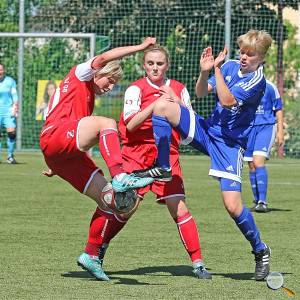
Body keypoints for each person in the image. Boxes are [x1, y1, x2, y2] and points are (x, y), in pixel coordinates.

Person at [136, 30, 273, 281]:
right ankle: (164, 166)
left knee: (232, 207)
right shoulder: (230, 66)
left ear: (262, 57)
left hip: (229, 145)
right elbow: (201, 93)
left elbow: (227, 99)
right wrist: (204, 71)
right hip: (207, 130)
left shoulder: (257, 81)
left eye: (250, 54)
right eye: (242, 51)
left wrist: (217, 70)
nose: (243, 57)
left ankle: (260, 250)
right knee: (163, 106)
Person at [79, 44, 211, 281]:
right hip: (136, 153)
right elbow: (129, 125)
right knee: (125, 207)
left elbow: (188, 122)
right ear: (144, 65)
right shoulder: (135, 90)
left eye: (160, 63)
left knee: (179, 207)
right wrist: (156, 106)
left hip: (167, 154)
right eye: (150, 63)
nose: (155, 67)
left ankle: (198, 263)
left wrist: (175, 102)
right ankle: (98, 250)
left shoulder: (179, 89)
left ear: (167, 65)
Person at [40, 38, 157, 277]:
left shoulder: (87, 100)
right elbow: (104, 58)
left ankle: (91, 255)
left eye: (115, 83)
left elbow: (80, 135)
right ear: (98, 73)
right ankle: (120, 175)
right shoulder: (80, 74)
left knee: (114, 201)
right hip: (55, 137)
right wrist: (139, 48)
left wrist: (56, 163)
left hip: (64, 154)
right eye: (110, 80)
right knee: (107, 123)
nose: (111, 86)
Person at [244, 80, 284, 213]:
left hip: (266, 127)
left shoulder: (270, 86)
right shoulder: (244, 85)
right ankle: (257, 201)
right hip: (249, 129)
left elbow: (278, 109)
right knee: (251, 164)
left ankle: (263, 201)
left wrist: (280, 131)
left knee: (258, 161)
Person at [0, 63, 18, 164]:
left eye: (1, 70)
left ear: (4, 70)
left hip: (8, 112)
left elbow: (14, 95)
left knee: (11, 133)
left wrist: (15, 106)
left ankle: (10, 156)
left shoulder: (10, 81)